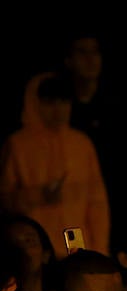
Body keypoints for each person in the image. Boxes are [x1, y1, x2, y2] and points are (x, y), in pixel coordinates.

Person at [0, 72, 110, 258]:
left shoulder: (81, 143)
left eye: (64, 101)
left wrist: (99, 250)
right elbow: (4, 199)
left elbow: (97, 202)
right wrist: (38, 195)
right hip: (35, 246)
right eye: (50, 102)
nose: (58, 109)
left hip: (76, 241)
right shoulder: (18, 144)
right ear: (35, 102)